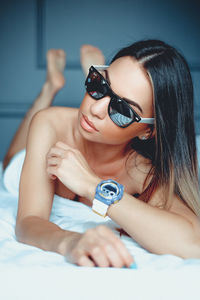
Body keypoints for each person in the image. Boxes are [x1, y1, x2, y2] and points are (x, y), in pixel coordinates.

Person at [3, 40, 200, 268]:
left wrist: (93, 186)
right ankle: (50, 88)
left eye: (122, 110)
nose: (94, 110)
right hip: (26, 163)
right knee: (10, 162)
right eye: (99, 86)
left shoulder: (142, 170)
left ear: (148, 131)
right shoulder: (51, 123)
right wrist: (71, 242)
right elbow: (28, 221)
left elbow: (192, 243)